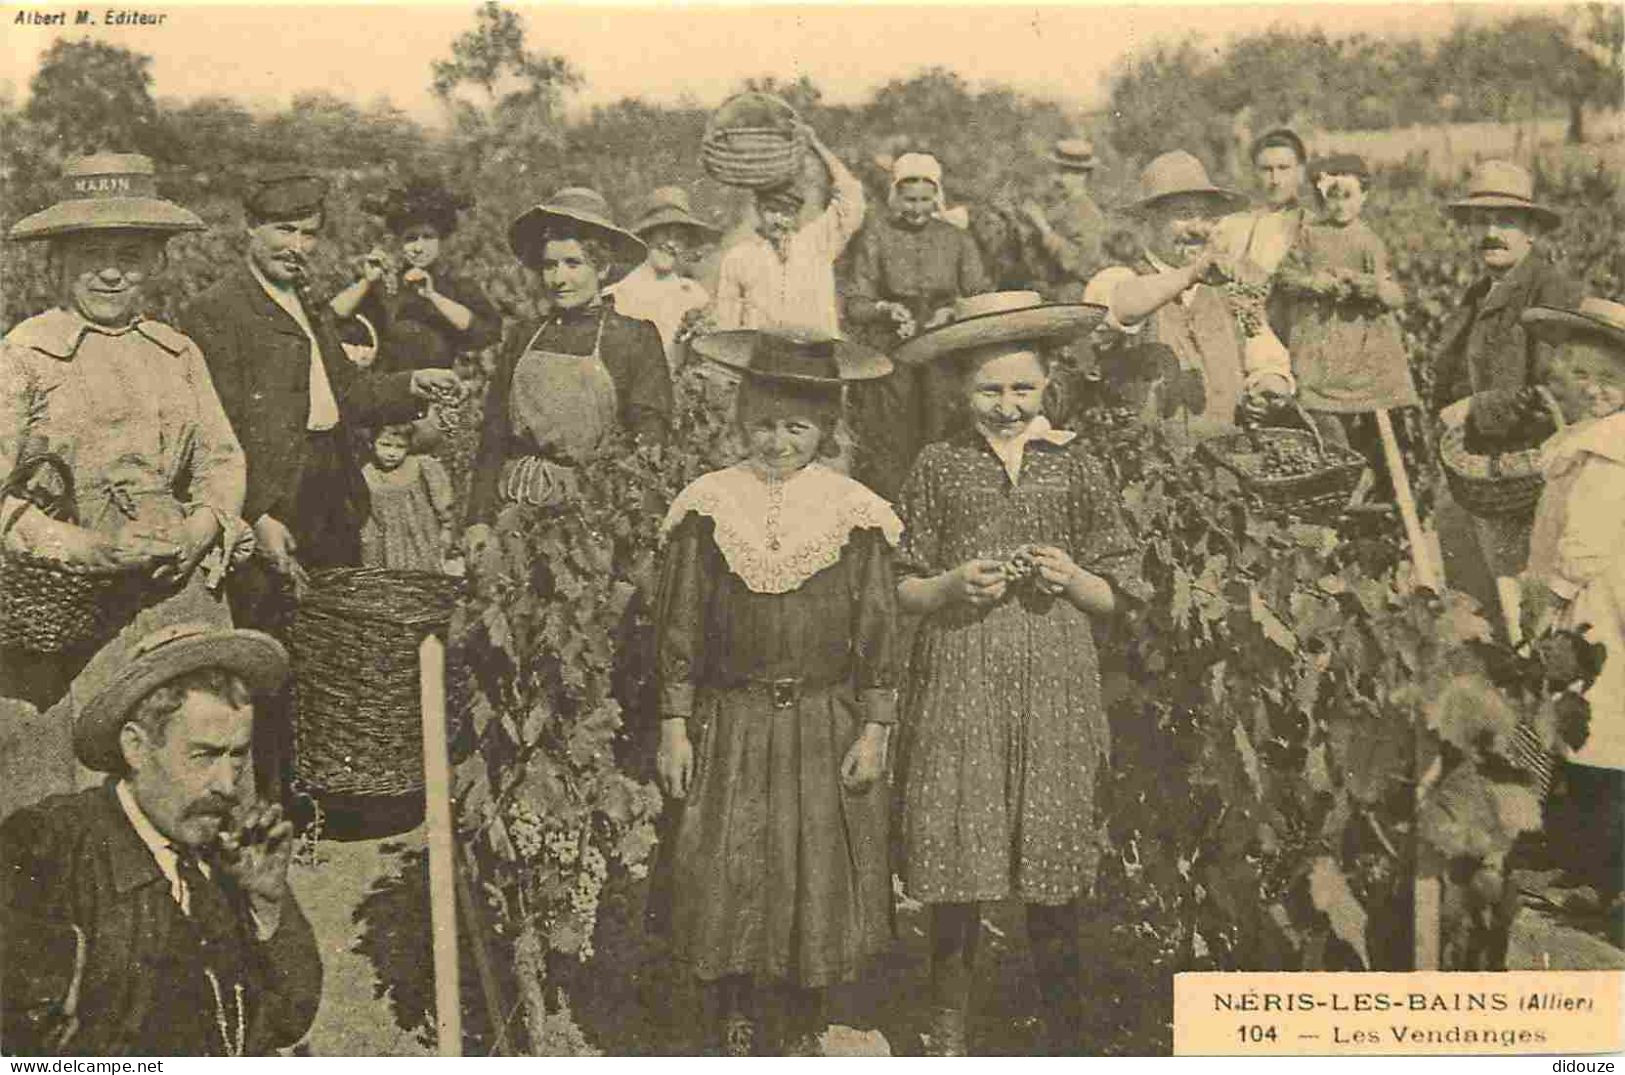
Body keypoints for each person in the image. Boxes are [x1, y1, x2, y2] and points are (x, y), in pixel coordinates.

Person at [890, 291, 1142, 1055]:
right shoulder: (938, 465)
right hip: (961, 669)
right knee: (958, 840)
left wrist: (1071, 577)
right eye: (989, 390)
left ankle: (1063, 1028)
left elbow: (1117, 589)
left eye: (1021, 389)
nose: (1006, 405)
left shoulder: (1076, 463)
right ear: (961, 389)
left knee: (1052, 839)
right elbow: (900, 582)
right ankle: (949, 1025)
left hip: (1054, 674)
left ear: (1049, 386)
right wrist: (948, 587)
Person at [177, 165, 463, 791]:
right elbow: (216, 428)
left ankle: (316, 790)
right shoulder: (216, 311)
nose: (298, 247)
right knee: (265, 645)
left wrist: (410, 384)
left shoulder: (305, 299)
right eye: (284, 230)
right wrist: (257, 514)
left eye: (309, 233)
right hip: (274, 496)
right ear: (249, 229)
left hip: (331, 489)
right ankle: (265, 797)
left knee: (325, 645)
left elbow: (348, 392)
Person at [654, 329, 900, 1056]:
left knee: (813, 863)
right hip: (732, 715)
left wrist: (875, 725)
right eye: (762, 423)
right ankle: (735, 1006)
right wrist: (675, 721)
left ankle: (803, 1011)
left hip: (823, 714)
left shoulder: (854, 511)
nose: (777, 439)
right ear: (741, 421)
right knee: (726, 859)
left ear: (824, 429)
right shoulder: (709, 504)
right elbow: (679, 621)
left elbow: (878, 624)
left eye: (796, 425)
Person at [1, 153, 251, 813]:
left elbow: (222, 459)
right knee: (80, 795)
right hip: (70, 611)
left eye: (131, 253)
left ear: (156, 262)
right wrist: (84, 548)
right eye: (92, 254)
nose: (112, 271)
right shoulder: (26, 355)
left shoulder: (175, 351)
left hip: (177, 594)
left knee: (191, 770)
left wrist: (202, 528)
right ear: (57, 263)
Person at [1, 624, 322, 1056]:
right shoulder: (45, 848)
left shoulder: (230, 851)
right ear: (135, 747)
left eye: (238, 755)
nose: (227, 785)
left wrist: (267, 905)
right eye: (204, 755)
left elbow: (287, 1022)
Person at [464, 188, 671, 539]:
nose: (559, 279)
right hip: (513, 504)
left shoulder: (632, 338)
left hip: (592, 514)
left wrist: (627, 523)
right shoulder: (524, 335)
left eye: (573, 264)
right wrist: (479, 520)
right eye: (549, 265)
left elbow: (650, 439)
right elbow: (494, 434)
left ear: (602, 266)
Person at [1430, 159, 1582, 627]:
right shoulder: (1478, 293)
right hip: (1480, 476)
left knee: (1530, 607)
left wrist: (1477, 409)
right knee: (1484, 601)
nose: (1491, 232)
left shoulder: (1550, 292)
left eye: (1506, 221)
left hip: (1527, 477)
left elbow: (1560, 393)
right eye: (1482, 221)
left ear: (1532, 231)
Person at [1521, 297, 1625, 915]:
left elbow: (1586, 540)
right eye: (1582, 376)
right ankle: (1578, 853)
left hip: (1595, 601)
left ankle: (1600, 870)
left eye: (1609, 380)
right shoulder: (1590, 436)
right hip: (1593, 597)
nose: (1593, 390)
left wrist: (1552, 599)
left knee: (1598, 729)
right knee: (1585, 724)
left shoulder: (1609, 452)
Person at [845, 152, 991, 499]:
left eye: (926, 200)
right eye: (909, 200)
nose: (917, 208)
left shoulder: (957, 239)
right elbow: (856, 303)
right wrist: (886, 308)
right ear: (895, 197)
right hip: (893, 349)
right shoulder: (877, 236)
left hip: (945, 348)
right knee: (892, 438)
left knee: (943, 428)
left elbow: (980, 296)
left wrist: (953, 311)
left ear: (937, 198)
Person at [1273, 154, 1420, 499]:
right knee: (1321, 411)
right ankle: (1344, 477)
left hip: (1364, 344)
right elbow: (1285, 276)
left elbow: (1392, 291)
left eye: (1348, 196)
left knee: (1378, 421)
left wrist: (1363, 284)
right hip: (1322, 342)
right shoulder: (1309, 235)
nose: (1339, 205)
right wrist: (1315, 282)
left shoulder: (1369, 240)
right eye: (1332, 196)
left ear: (1364, 196)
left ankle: (1376, 482)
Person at [1083, 151, 1257, 434]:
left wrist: (1271, 380)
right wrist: (1191, 274)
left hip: (1226, 460)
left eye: (1207, 217)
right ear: (1150, 219)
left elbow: (1262, 350)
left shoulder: (1222, 289)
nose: (1198, 228)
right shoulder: (1118, 279)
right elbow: (1120, 306)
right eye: (1185, 215)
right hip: (1147, 464)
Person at [330, 176, 501, 375]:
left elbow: (487, 332)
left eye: (428, 237)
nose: (419, 248)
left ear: (441, 241)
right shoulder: (383, 286)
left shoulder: (456, 285)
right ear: (399, 242)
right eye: (411, 239)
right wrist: (366, 282)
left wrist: (433, 296)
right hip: (387, 392)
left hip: (438, 392)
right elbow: (329, 318)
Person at [712, 122, 865, 336]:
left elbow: (851, 197)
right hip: (762, 361)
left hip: (814, 359)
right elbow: (726, 325)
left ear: (797, 213)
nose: (779, 219)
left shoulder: (818, 243)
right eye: (771, 210)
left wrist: (815, 145)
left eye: (788, 211)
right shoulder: (740, 257)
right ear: (758, 209)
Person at [611, 186, 721, 374]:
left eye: (679, 237)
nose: (671, 243)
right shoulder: (619, 295)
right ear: (647, 234)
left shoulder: (695, 295)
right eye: (664, 233)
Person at [359, 422, 456, 574]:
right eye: (385, 445)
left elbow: (441, 498)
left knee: (424, 576)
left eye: (400, 447)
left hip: (420, 536)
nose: (392, 453)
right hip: (386, 541)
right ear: (371, 444)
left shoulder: (421, 466)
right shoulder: (368, 473)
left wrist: (447, 528)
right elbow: (367, 515)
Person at [1019, 137, 1108, 302]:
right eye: (1059, 170)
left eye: (1068, 172)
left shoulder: (1089, 213)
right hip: (1047, 292)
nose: (1059, 178)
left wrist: (1043, 227)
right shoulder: (1059, 207)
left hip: (1071, 297)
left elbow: (1081, 263)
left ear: (1084, 175)